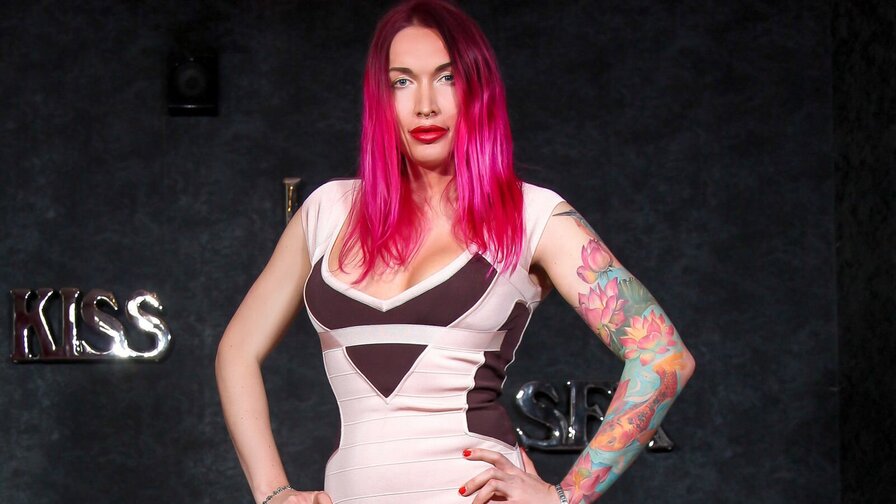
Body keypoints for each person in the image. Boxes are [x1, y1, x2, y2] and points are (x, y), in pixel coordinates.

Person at [215, 0, 696, 503]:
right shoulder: (326, 211)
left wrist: (565, 497)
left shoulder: (533, 215)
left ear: (478, 90)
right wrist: (273, 492)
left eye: (447, 78)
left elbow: (662, 357)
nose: (425, 104)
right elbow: (236, 352)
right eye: (402, 82)